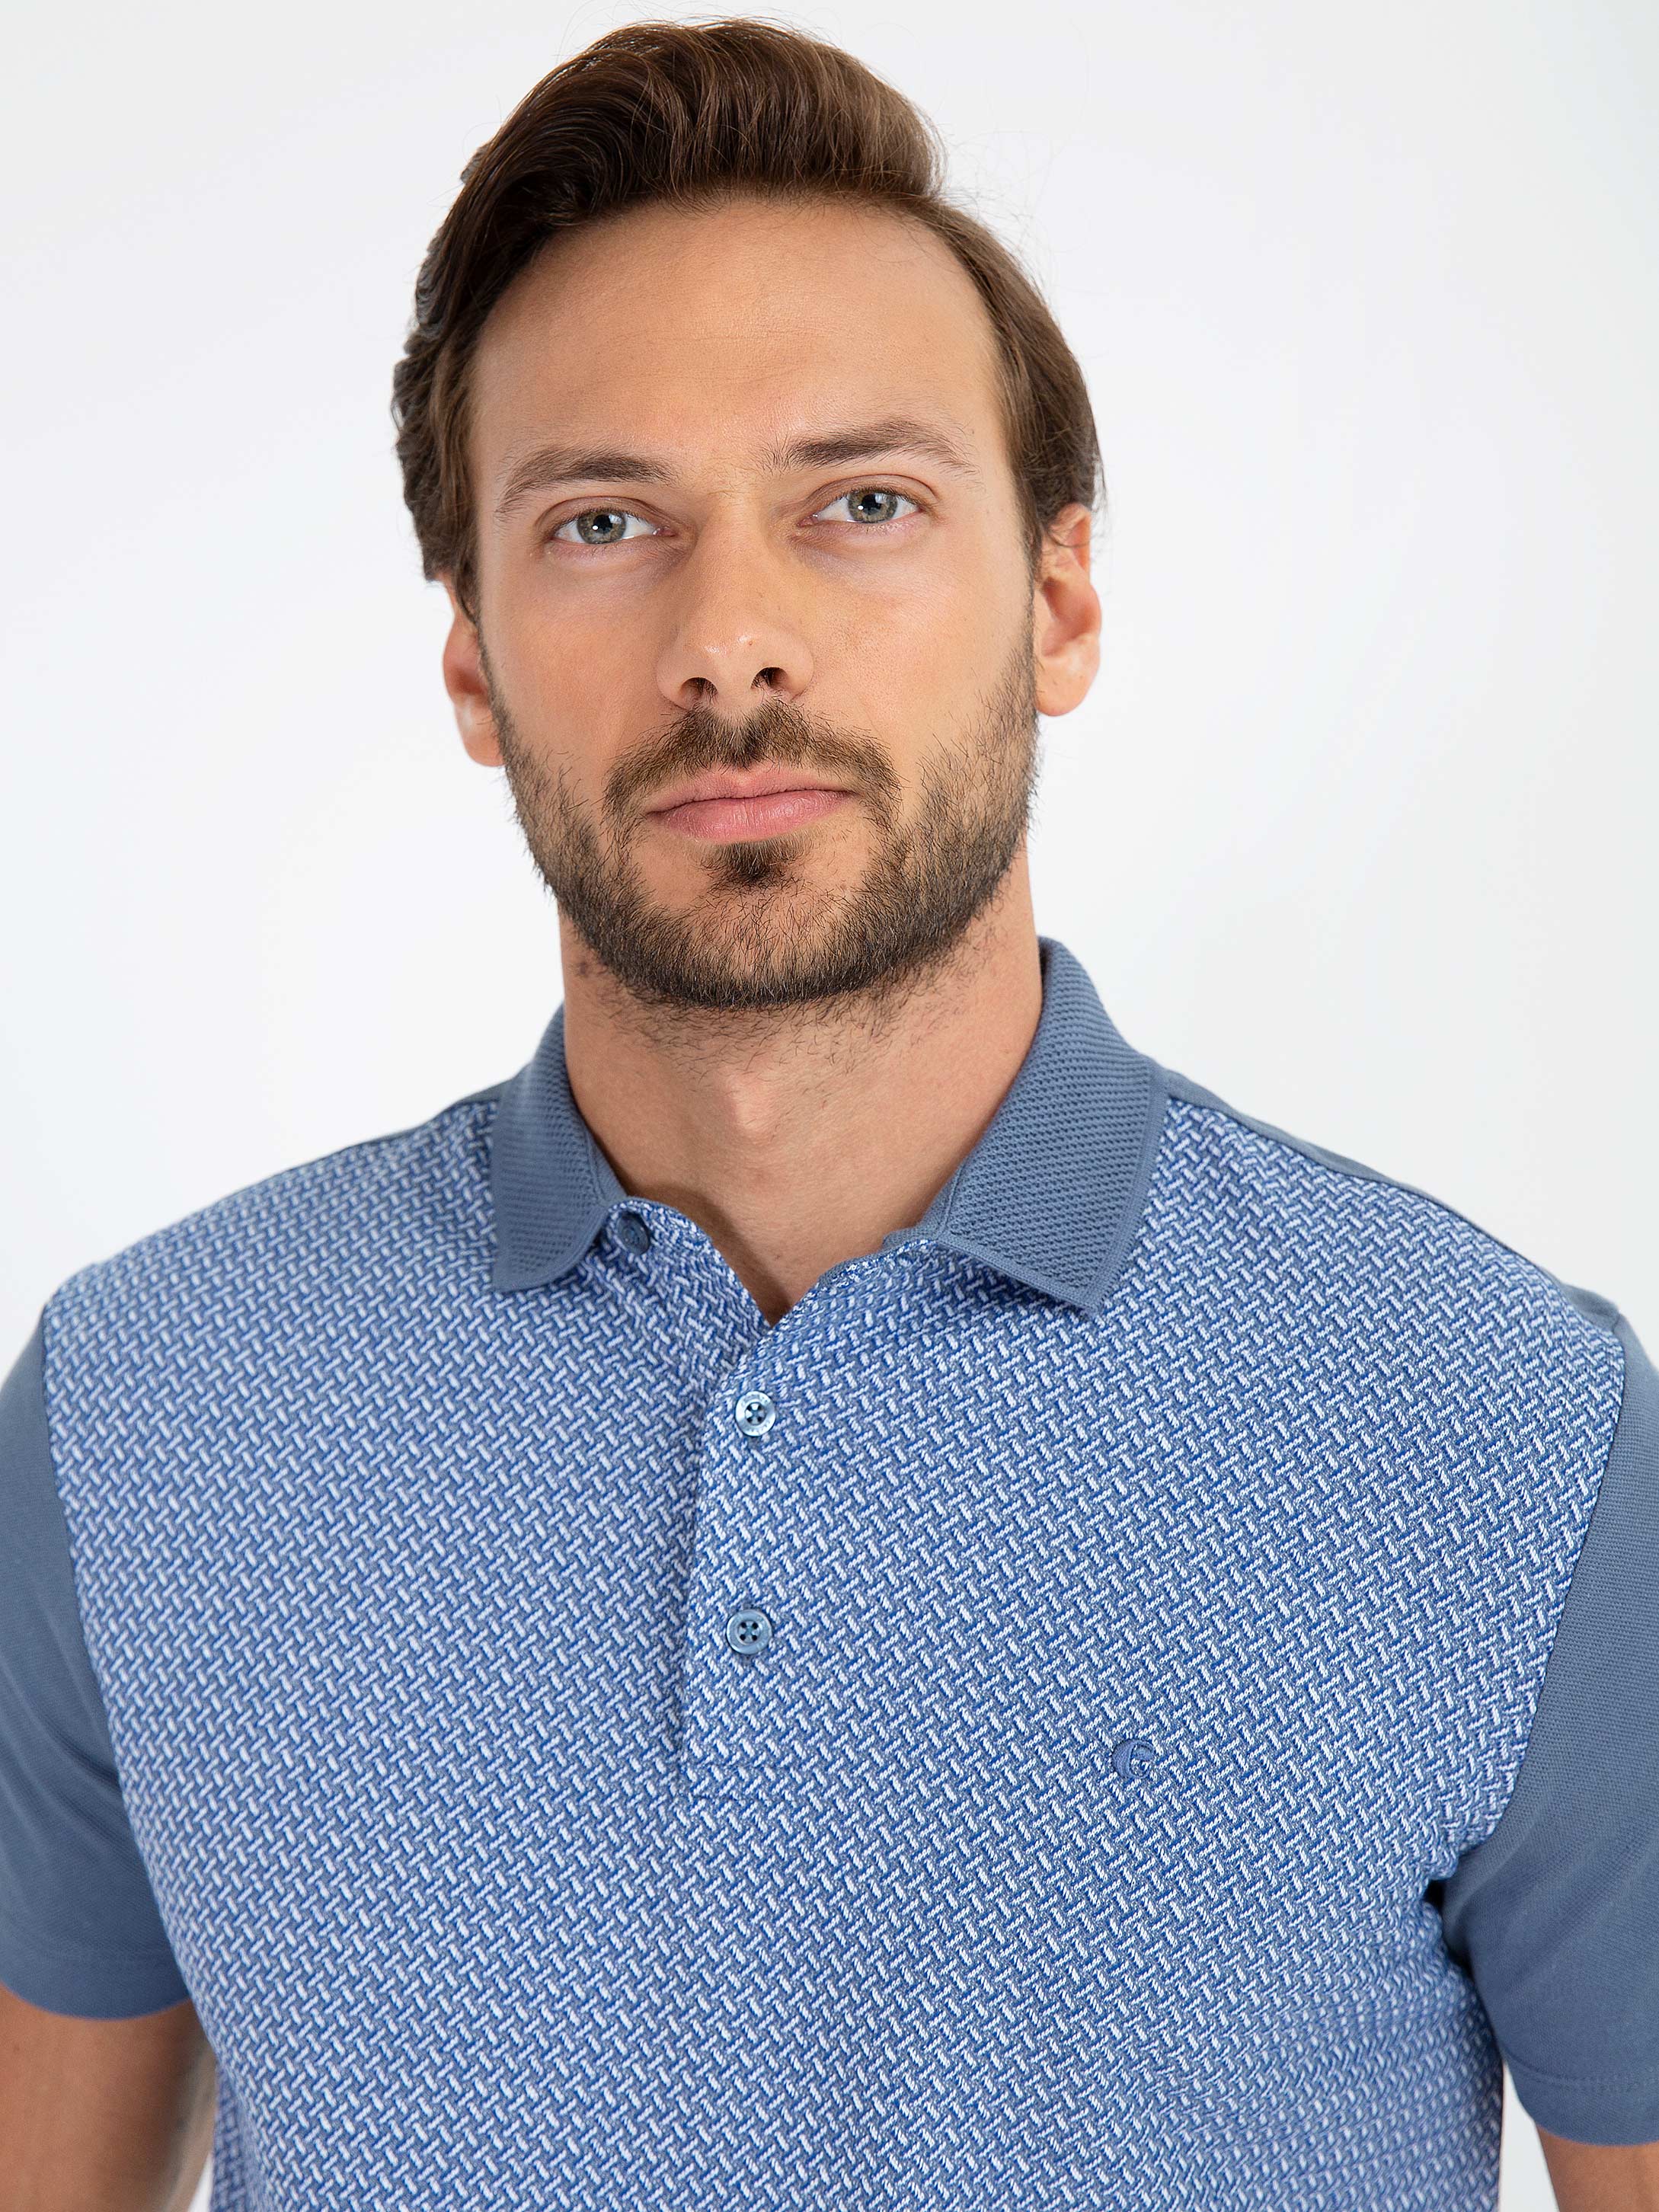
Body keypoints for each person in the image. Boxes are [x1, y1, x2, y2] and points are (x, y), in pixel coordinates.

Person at [2, 19, 1654, 2211]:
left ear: (1056, 602)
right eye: (605, 522)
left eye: (860, 503)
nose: (733, 638)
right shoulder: (137, 1412)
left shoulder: (1511, 1439)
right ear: (474, 663)